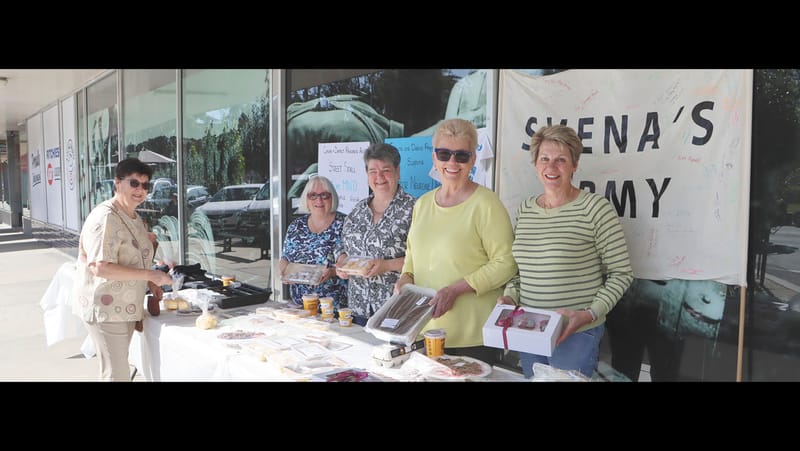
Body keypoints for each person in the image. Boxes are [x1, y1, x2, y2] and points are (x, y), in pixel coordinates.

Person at [498, 124, 634, 379]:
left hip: (575, 333)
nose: (551, 167)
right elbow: (520, 272)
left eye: (561, 160)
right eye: (545, 159)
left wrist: (589, 314)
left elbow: (621, 273)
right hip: (530, 329)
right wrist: (509, 297)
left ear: (574, 164)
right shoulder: (526, 210)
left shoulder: (595, 209)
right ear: (535, 163)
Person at [396, 118, 518, 364]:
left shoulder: (487, 204)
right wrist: (405, 279)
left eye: (461, 155)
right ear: (434, 157)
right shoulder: (422, 204)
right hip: (424, 331)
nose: (452, 162)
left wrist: (456, 289)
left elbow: (507, 262)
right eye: (444, 154)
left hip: (472, 337)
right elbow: (412, 257)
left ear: (473, 159)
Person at [72, 158, 173, 381]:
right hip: (106, 308)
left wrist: (150, 283)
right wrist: (150, 275)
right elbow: (100, 267)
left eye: (145, 185)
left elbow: (132, 259)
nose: (140, 190)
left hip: (125, 305)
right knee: (116, 374)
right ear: (117, 183)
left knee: (118, 370)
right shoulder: (106, 216)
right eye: (134, 183)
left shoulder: (133, 216)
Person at [334, 143, 416, 325]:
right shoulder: (357, 210)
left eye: (385, 170)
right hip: (358, 307)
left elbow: (425, 257)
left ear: (397, 171)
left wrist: (387, 265)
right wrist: (341, 261)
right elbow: (341, 245)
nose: (379, 177)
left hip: (396, 308)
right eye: (372, 171)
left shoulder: (415, 209)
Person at [279, 175, 348, 309]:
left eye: (324, 195)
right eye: (313, 195)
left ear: (332, 197)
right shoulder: (296, 226)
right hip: (300, 305)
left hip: (335, 307)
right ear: (306, 199)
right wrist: (285, 272)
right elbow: (285, 259)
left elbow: (352, 264)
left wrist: (332, 272)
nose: (319, 200)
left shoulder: (346, 224)